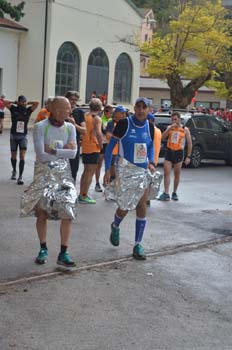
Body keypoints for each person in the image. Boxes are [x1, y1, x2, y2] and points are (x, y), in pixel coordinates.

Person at [21, 97, 77, 267]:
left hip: (63, 175)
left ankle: (64, 252)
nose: (70, 111)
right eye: (67, 108)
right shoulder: (40, 127)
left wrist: (52, 149)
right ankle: (43, 247)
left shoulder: (70, 127)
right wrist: (63, 150)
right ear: (57, 110)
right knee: (42, 212)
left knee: (68, 210)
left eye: (69, 108)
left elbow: (73, 154)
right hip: (43, 175)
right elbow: (41, 155)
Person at [104, 97, 155, 260]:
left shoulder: (151, 126)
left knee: (141, 204)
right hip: (125, 171)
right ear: (134, 108)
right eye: (138, 107)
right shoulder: (125, 124)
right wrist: (107, 170)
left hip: (142, 171)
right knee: (125, 207)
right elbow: (110, 147)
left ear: (149, 109)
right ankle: (115, 225)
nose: (141, 110)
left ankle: (137, 244)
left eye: (144, 107)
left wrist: (152, 161)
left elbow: (151, 146)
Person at [4, 95, 39, 185]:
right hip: (13, 135)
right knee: (14, 155)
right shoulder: (13, 109)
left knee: (22, 155)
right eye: (22, 101)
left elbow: (37, 103)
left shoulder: (28, 110)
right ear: (19, 102)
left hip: (23, 136)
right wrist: (15, 102)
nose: (23, 103)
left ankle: (20, 176)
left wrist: (28, 103)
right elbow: (4, 101)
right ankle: (14, 171)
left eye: (24, 101)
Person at [158, 111, 192, 201]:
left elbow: (189, 143)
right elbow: (162, 137)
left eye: (175, 119)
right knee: (166, 172)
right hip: (169, 151)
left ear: (179, 119)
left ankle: (174, 192)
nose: (174, 121)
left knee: (177, 174)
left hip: (179, 152)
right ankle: (166, 193)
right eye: (172, 119)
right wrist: (169, 129)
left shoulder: (185, 129)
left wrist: (188, 156)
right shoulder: (170, 128)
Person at [79, 98, 103, 204]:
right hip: (94, 146)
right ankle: (84, 195)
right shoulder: (96, 118)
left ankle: (81, 193)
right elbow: (98, 133)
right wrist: (101, 145)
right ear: (99, 107)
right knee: (90, 172)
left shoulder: (85, 116)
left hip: (85, 146)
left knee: (85, 172)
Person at [65, 91, 86, 183]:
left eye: (75, 100)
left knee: (73, 169)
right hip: (61, 144)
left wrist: (74, 124)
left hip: (74, 144)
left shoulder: (79, 112)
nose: (73, 102)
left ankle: (71, 191)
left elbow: (84, 130)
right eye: (71, 99)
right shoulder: (61, 111)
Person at [105, 105, 127, 181]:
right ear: (116, 113)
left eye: (125, 113)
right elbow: (108, 135)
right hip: (113, 150)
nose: (124, 115)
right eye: (122, 113)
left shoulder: (125, 124)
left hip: (121, 152)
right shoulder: (111, 122)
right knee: (113, 170)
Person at [95, 104, 113, 192]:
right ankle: (97, 183)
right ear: (105, 112)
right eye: (110, 112)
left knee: (108, 165)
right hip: (101, 143)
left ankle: (106, 182)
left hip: (109, 144)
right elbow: (103, 131)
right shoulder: (100, 119)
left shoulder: (111, 120)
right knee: (99, 164)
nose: (112, 114)